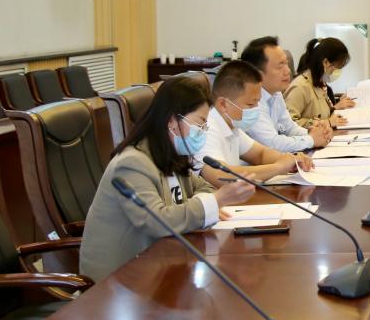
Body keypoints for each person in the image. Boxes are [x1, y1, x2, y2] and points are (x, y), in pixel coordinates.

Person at [80, 76, 254, 282]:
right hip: (118, 280)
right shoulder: (132, 163)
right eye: (200, 123)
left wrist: (202, 204)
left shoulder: (171, 155)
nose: (203, 131)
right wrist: (215, 201)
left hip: (161, 265)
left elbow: (204, 188)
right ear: (172, 121)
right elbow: (156, 221)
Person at [196, 60, 312, 186]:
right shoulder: (206, 128)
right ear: (223, 104)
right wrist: (278, 168)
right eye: (251, 104)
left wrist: (290, 159)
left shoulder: (232, 124)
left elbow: (260, 154)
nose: (256, 109)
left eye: (258, 102)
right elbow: (220, 177)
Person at [240, 36, 332, 152]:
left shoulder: (275, 93)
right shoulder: (250, 102)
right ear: (257, 74)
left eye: (286, 64)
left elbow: (290, 128)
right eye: (280, 66)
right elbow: (272, 144)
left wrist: (316, 133)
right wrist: (311, 140)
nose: (288, 71)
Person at [285, 37, 355, 129]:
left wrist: (334, 109)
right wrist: (327, 122)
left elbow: (322, 114)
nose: (336, 71)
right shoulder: (300, 87)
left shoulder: (319, 84)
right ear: (325, 62)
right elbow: (288, 124)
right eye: (337, 67)